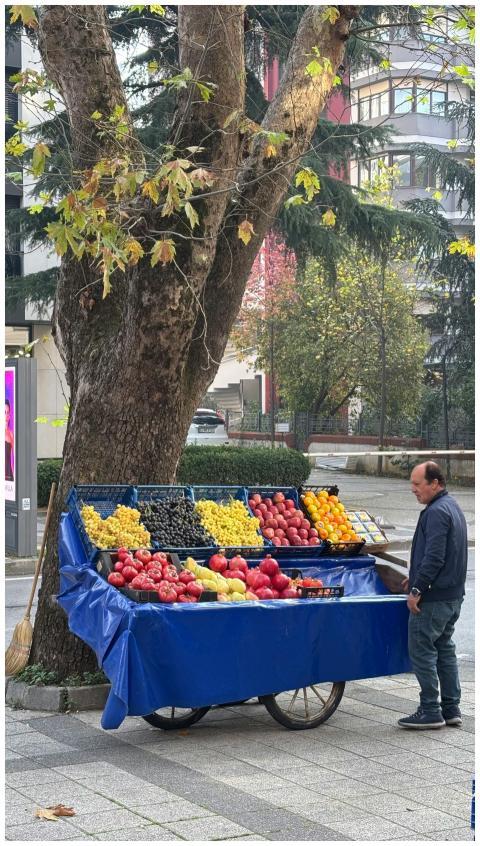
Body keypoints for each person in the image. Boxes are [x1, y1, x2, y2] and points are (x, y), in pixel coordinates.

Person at [398, 461, 467, 730]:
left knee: (422, 649)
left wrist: (417, 589)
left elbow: (436, 556)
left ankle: (430, 709)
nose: (413, 489)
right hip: (452, 595)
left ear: (435, 483)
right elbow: (446, 555)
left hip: (434, 598)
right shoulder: (452, 506)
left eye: (417, 484)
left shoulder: (436, 512)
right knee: (445, 649)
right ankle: (451, 708)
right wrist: (414, 576)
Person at [5, 398, 14, 482]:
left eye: (8, 412)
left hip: (8, 474)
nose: (6, 415)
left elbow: (13, 457)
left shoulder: (11, 434)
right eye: (4, 412)